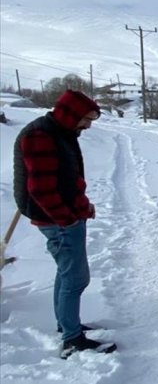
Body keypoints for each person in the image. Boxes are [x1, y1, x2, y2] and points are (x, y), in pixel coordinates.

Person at [13, 89, 116, 359]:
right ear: (70, 114)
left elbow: (68, 181)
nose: (89, 125)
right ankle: (72, 340)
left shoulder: (60, 132)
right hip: (58, 220)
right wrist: (68, 219)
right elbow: (42, 189)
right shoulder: (41, 137)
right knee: (75, 277)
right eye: (86, 119)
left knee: (66, 273)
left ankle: (66, 325)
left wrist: (82, 207)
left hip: (64, 217)